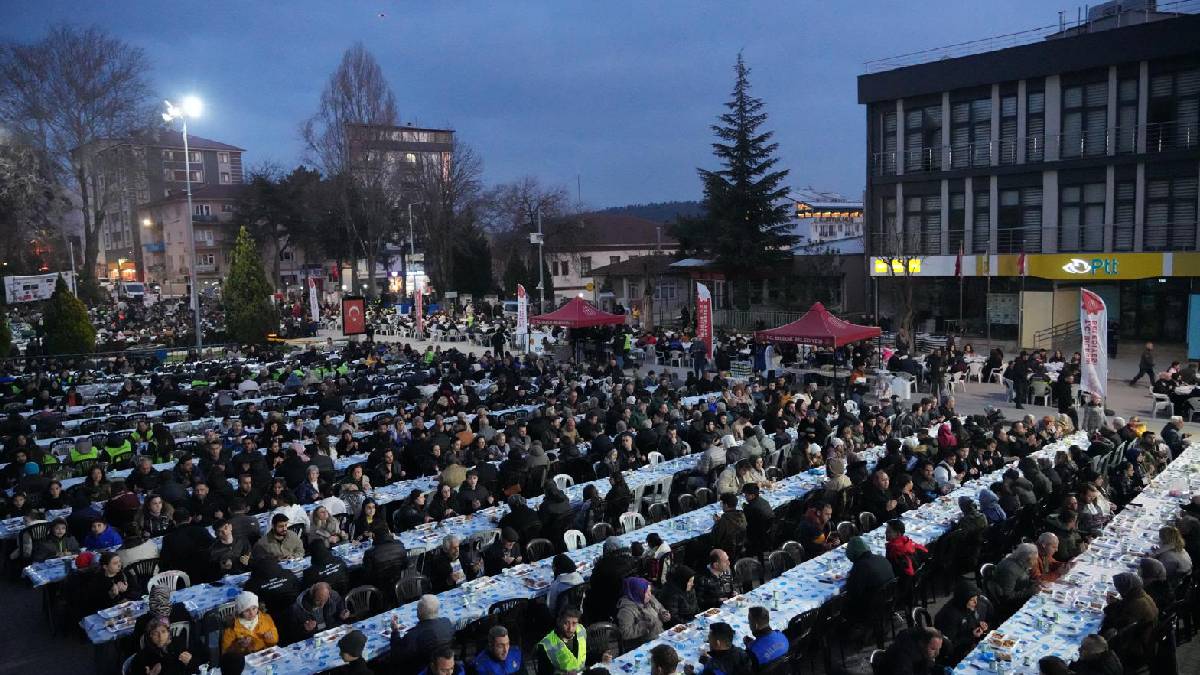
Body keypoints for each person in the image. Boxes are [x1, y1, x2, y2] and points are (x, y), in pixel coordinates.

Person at [1100, 572, 1157, 667]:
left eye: (1119, 588)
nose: (1118, 590)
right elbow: (1126, 608)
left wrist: (1110, 606)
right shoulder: (1142, 595)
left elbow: (1116, 623)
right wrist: (1117, 603)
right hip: (1145, 637)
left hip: (1136, 644)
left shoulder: (1136, 605)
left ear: (1126, 589)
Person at [391, 595, 455, 669]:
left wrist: (395, 631)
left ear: (418, 612)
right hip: (442, 662)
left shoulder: (413, 635)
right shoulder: (446, 622)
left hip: (422, 668)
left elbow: (396, 654)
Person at [934, 580, 989, 664]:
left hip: (970, 642)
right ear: (963, 600)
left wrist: (980, 624)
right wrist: (971, 635)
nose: (976, 602)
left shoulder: (970, 605)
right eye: (972, 600)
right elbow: (948, 644)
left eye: (976, 598)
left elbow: (971, 619)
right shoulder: (950, 616)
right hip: (955, 653)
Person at [844, 535, 897, 622]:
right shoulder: (881, 558)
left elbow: (853, 592)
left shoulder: (861, 566)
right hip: (889, 601)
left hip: (872, 607)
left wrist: (851, 576)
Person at [129, 618, 200, 675]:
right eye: (155, 633)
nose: (160, 636)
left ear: (168, 633)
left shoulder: (178, 643)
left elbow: (196, 667)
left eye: (163, 631)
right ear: (150, 636)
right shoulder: (144, 655)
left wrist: (189, 662)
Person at [220, 591, 280, 658]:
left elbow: (275, 641)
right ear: (240, 612)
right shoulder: (231, 628)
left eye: (254, 608)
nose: (251, 613)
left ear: (258, 607)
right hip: (245, 660)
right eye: (247, 610)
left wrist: (270, 639)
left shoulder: (266, 618)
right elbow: (226, 654)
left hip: (266, 657)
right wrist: (240, 646)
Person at [614, 576, 669, 647]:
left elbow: (660, 607)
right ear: (638, 592)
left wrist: (664, 613)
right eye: (646, 592)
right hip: (643, 645)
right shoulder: (626, 610)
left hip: (659, 637)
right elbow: (624, 633)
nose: (650, 594)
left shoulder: (650, 598)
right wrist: (643, 626)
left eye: (650, 590)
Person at [988, 543, 1039, 614]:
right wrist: (1029, 592)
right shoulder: (1010, 569)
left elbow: (1021, 581)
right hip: (1010, 607)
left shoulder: (1020, 563)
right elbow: (1007, 596)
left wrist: (1033, 583)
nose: (1036, 562)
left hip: (1019, 597)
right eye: (1035, 559)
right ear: (1027, 558)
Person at [535, 607, 588, 675]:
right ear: (559, 621)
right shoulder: (545, 645)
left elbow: (585, 655)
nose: (570, 629)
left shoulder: (581, 630)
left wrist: (602, 656)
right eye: (566, 623)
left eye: (574, 623)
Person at [879, 627, 945, 675]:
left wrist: (941, 670)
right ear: (921, 643)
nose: (937, 653)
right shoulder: (904, 655)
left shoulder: (922, 650)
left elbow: (926, 666)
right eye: (933, 649)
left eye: (939, 648)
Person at [1152, 525, 1193, 589]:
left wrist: (1151, 557)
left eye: (1160, 538)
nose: (1159, 540)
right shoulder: (1180, 549)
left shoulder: (1168, 556)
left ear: (1165, 539)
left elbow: (1158, 573)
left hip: (1166, 585)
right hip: (1180, 582)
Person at [741, 483, 775, 556]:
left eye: (746, 495)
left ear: (752, 495)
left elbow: (743, 522)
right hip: (768, 533)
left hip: (757, 537)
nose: (745, 497)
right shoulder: (763, 501)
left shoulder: (750, 508)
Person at [710, 492, 747, 557]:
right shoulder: (742, 514)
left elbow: (715, 539)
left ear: (726, 505)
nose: (721, 506)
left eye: (722, 504)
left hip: (727, 549)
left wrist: (716, 523)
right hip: (741, 545)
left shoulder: (724, 520)